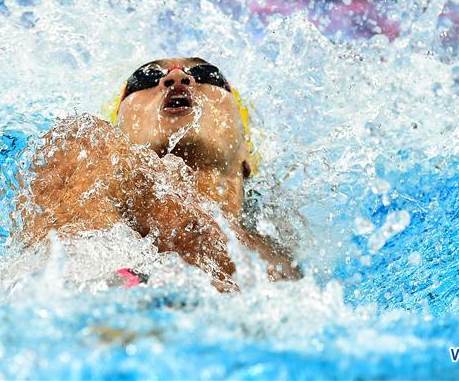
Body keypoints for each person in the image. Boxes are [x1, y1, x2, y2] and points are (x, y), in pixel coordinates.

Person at [16, 57, 300, 290]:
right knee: (77, 140)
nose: (176, 79)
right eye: (146, 78)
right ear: (120, 132)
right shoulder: (84, 152)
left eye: (206, 74)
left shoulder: (284, 257)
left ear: (245, 151)